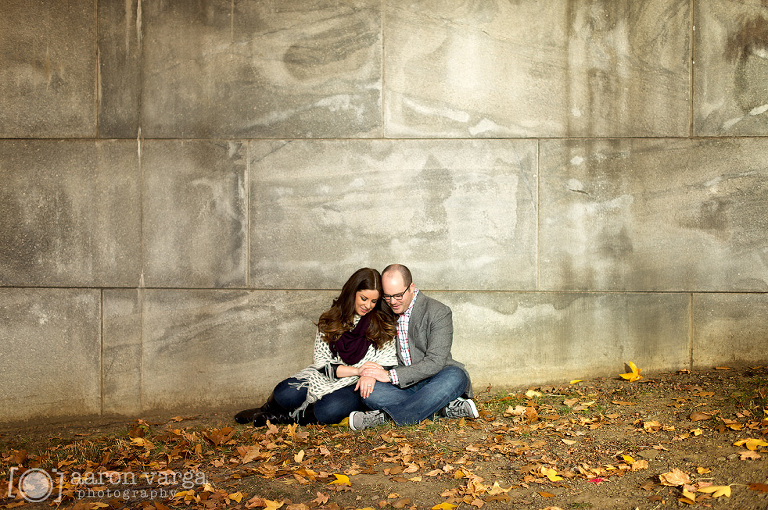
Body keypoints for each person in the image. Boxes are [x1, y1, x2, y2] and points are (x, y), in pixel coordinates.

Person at [234, 268, 397, 426]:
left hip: (356, 384)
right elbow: (321, 363)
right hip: (328, 375)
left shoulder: (381, 324)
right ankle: (265, 409)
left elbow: (387, 362)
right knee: (285, 392)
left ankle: (283, 417)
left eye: (373, 301)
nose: (368, 305)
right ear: (352, 293)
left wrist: (365, 374)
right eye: (364, 298)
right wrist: (356, 370)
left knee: (330, 409)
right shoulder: (331, 320)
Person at [348, 264, 478, 430]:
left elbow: (435, 362)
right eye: (387, 296)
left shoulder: (438, 312)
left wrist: (390, 375)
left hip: (437, 378)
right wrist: (370, 373)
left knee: (456, 375)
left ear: (411, 287)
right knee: (369, 392)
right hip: (403, 385)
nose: (392, 302)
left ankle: (385, 417)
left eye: (398, 295)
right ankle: (442, 408)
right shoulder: (384, 309)